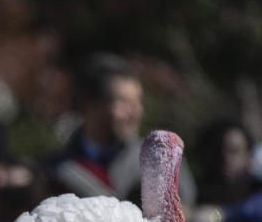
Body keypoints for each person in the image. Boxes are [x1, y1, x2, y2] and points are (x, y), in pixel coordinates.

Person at [38, 52, 196, 205]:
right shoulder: (52, 171)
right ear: (91, 105)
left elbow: (185, 217)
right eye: (124, 102)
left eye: (137, 102)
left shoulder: (161, 161)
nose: (135, 112)